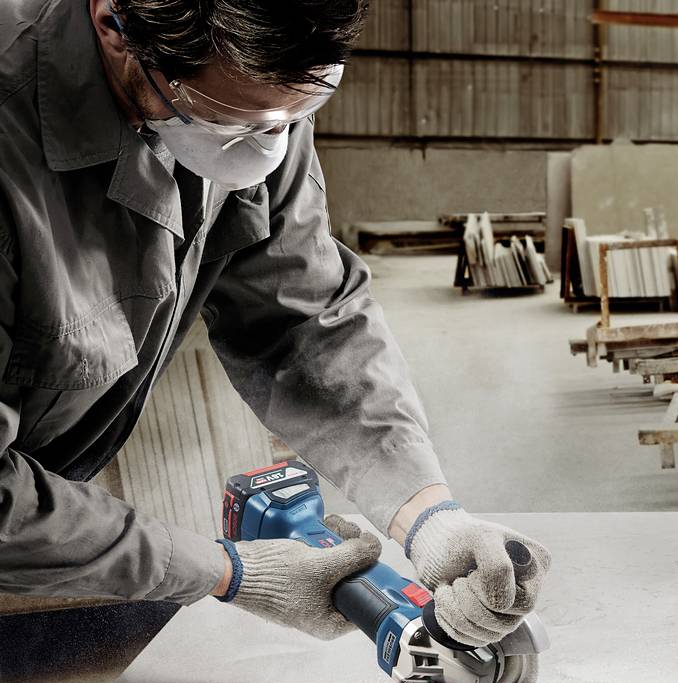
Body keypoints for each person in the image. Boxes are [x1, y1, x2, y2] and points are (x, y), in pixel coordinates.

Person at [0, 0, 550, 649]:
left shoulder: (260, 93)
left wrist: (428, 515)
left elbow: (300, 323)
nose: (267, 148)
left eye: (293, 117)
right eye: (231, 123)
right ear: (112, 25)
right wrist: (229, 572)